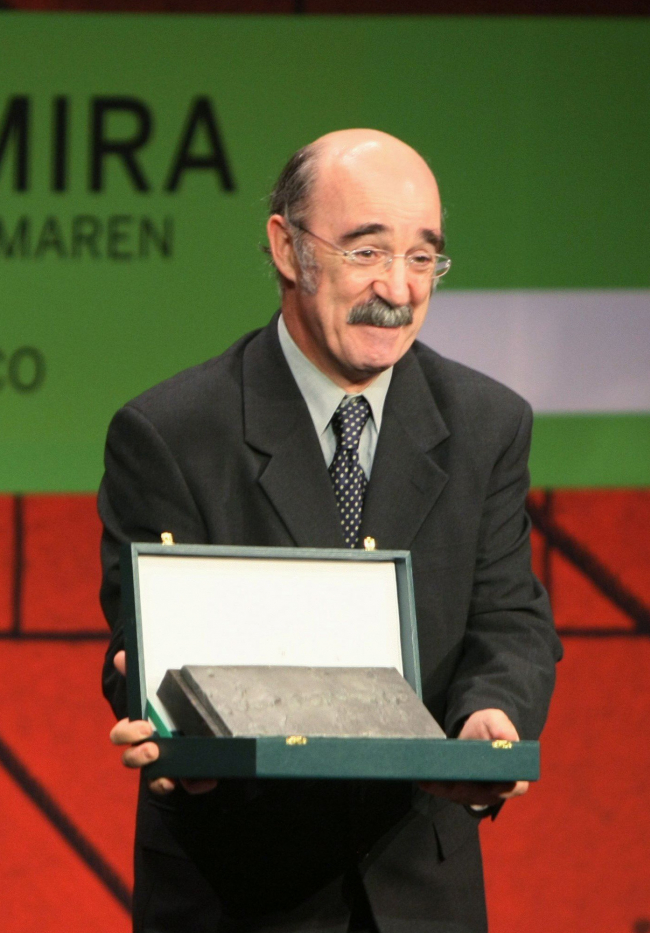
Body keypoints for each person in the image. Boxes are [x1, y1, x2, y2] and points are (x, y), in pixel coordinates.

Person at [101, 129, 562, 933]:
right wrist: (174, 729)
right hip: (237, 891)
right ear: (288, 248)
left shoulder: (488, 424)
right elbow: (143, 648)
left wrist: (492, 712)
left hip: (423, 895)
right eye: (366, 251)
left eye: (423, 257)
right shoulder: (172, 433)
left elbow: (509, 616)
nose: (398, 288)